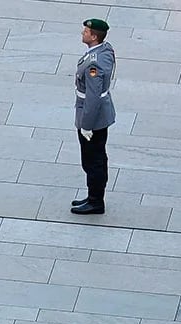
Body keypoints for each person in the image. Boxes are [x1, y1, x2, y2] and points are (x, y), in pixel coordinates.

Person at [73, 18, 117, 215]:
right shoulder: (103, 51)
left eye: (86, 31)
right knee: (95, 158)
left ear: (94, 36)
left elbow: (92, 97)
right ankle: (93, 196)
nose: (83, 32)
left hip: (93, 117)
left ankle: (95, 201)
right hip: (98, 114)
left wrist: (86, 125)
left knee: (92, 160)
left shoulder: (95, 64)